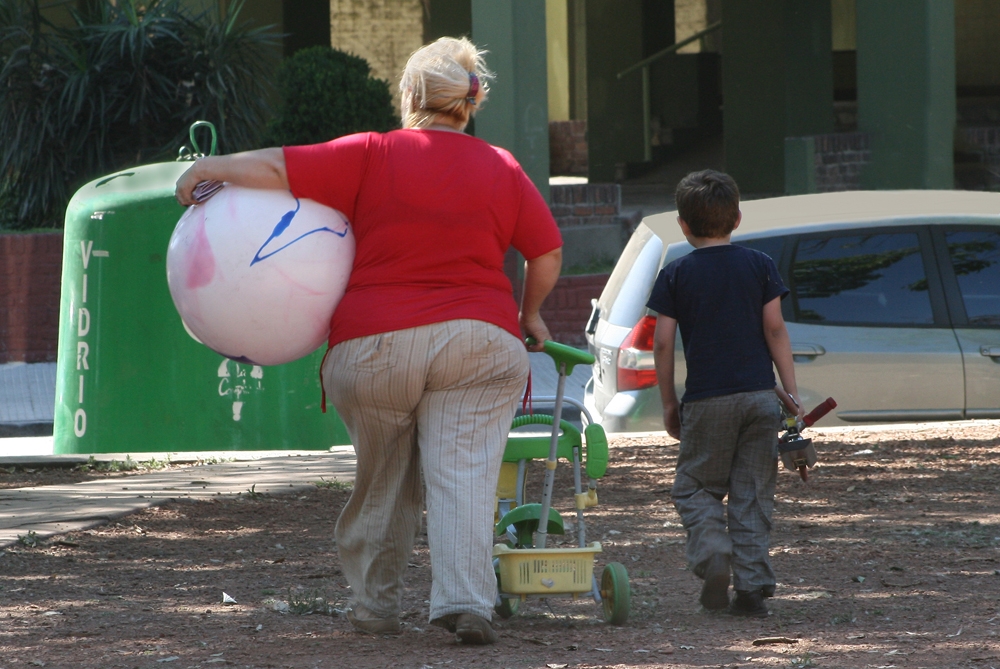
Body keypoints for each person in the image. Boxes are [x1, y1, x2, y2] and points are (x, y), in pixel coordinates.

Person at [175, 36, 563, 644]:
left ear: (410, 96)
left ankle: (375, 607)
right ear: (471, 102)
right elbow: (546, 251)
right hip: (480, 341)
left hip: (376, 345)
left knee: (384, 474)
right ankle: (466, 602)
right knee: (462, 472)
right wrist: (530, 315)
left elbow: (278, 166)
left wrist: (207, 168)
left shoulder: (372, 152)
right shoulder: (503, 166)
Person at [646, 169, 802, 618]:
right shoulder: (759, 265)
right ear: (737, 217)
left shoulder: (676, 274)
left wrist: (669, 403)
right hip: (759, 397)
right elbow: (775, 329)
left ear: (683, 224)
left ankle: (714, 555)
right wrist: (790, 395)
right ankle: (751, 589)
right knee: (752, 491)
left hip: (707, 400)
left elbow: (661, 342)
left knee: (695, 486)